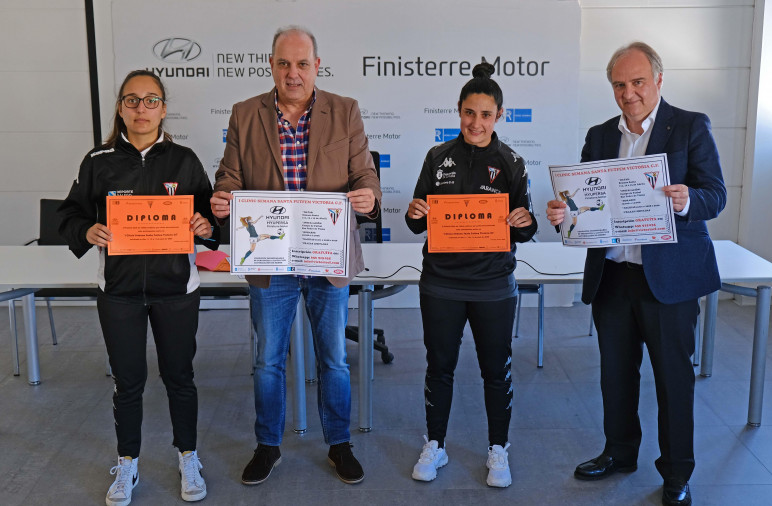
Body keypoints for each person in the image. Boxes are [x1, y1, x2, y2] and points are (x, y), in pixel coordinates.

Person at [546, 42, 726, 506]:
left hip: (669, 280)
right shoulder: (600, 135)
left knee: (673, 380)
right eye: (620, 85)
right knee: (616, 375)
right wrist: (564, 213)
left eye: (638, 82)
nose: (629, 93)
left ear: (658, 81)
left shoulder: (689, 126)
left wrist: (686, 200)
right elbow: (582, 204)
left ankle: (676, 473)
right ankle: (620, 452)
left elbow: (716, 195)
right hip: (614, 276)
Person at [209, 26, 380, 486]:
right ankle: (268, 446)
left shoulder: (345, 112)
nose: (293, 73)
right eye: (284, 63)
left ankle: (339, 444)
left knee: (334, 359)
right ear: (271, 65)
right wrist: (224, 195)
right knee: (268, 360)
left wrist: (366, 194)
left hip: (328, 256)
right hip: (271, 262)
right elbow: (229, 174)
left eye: (302, 64)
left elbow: (364, 172)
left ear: (316, 67)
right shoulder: (246, 114)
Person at [59, 70, 217, 506]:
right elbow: (69, 216)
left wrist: (206, 226)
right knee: (128, 382)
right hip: (120, 292)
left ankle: (188, 455)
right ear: (120, 108)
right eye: (132, 101)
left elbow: (209, 217)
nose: (141, 109)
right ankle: (127, 460)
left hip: (176, 289)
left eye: (151, 101)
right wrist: (86, 230)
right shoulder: (98, 160)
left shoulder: (184, 160)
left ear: (164, 108)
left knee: (180, 377)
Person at [404, 62, 538, 488]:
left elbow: (529, 227)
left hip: (493, 285)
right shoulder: (436, 157)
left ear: (499, 115)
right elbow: (415, 222)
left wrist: (524, 220)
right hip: (441, 282)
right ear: (458, 112)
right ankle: (436, 444)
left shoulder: (512, 162)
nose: (475, 123)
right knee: (439, 366)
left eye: (485, 114)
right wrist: (414, 212)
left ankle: (498, 449)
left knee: (496, 370)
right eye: (468, 113)